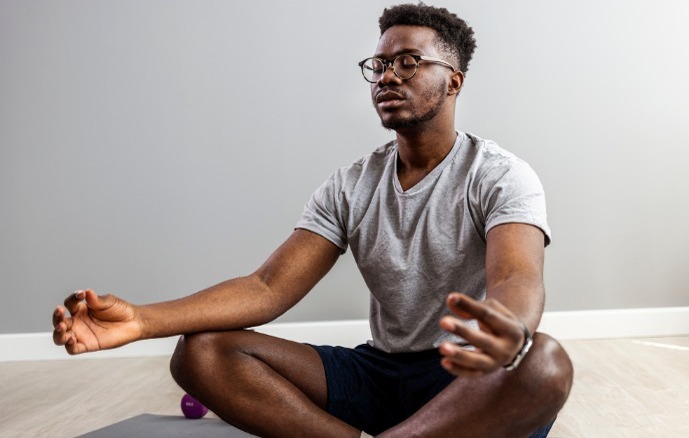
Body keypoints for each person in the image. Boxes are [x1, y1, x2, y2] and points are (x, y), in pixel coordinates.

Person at [52, 3, 573, 437]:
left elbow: (517, 277)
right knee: (200, 352)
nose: (388, 75)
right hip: (380, 372)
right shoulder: (350, 184)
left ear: (454, 81)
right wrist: (143, 320)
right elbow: (267, 287)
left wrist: (513, 330)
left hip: (463, 378)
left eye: (410, 62)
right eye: (380, 63)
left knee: (545, 364)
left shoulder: (501, 175)